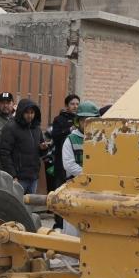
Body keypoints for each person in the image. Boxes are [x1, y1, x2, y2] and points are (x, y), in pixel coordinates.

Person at [60, 100, 99, 235]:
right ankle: (69, 255)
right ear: (78, 121)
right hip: (74, 187)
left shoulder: (100, 140)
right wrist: (87, 175)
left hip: (94, 189)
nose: (87, 124)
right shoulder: (70, 139)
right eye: (84, 120)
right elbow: (69, 164)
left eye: (91, 120)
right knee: (72, 226)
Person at [0, 98, 49, 195]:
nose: (30, 116)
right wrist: (12, 175)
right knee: (17, 207)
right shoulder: (11, 127)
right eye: (27, 113)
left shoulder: (36, 128)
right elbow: (4, 153)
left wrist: (43, 148)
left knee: (30, 206)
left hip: (33, 177)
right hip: (18, 178)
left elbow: (40, 152)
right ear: (21, 112)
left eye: (32, 113)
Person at [47, 94, 79, 227]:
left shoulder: (80, 120)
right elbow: (55, 135)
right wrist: (69, 129)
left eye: (77, 104)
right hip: (61, 163)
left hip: (76, 163)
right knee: (60, 193)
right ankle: (59, 223)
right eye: (72, 104)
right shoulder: (59, 120)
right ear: (67, 106)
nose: (75, 106)